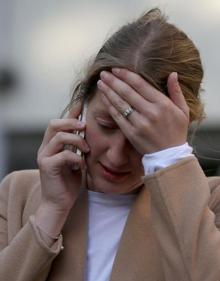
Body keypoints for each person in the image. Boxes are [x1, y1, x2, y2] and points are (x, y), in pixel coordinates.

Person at [0, 7, 220, 281]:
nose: (116, 156)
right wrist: (51, 212)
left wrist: (171, 160)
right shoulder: (17, 194)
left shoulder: (211, 204)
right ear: (81, 105)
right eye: (106, 125)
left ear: (179, 127)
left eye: (142, 138)